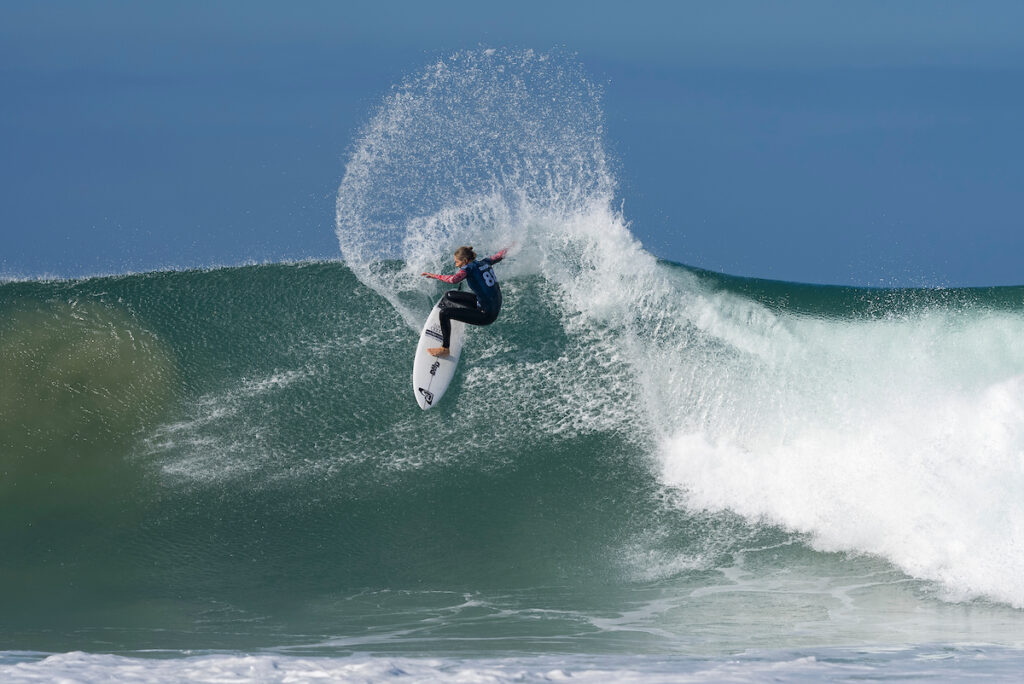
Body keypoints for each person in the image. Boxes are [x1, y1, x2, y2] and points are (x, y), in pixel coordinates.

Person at [421, 245, 509, 357]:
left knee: (444, 313)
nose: (456, 265)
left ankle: (445, 349)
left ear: (465, 260)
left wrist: (433, 275)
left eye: (457, 262)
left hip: (486, 315)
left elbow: (454, 279)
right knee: (449, 295)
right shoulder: (485, 262)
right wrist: (513, 246)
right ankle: (461, 313)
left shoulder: (468, 268)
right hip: (490, 304)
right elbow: (500, 255)